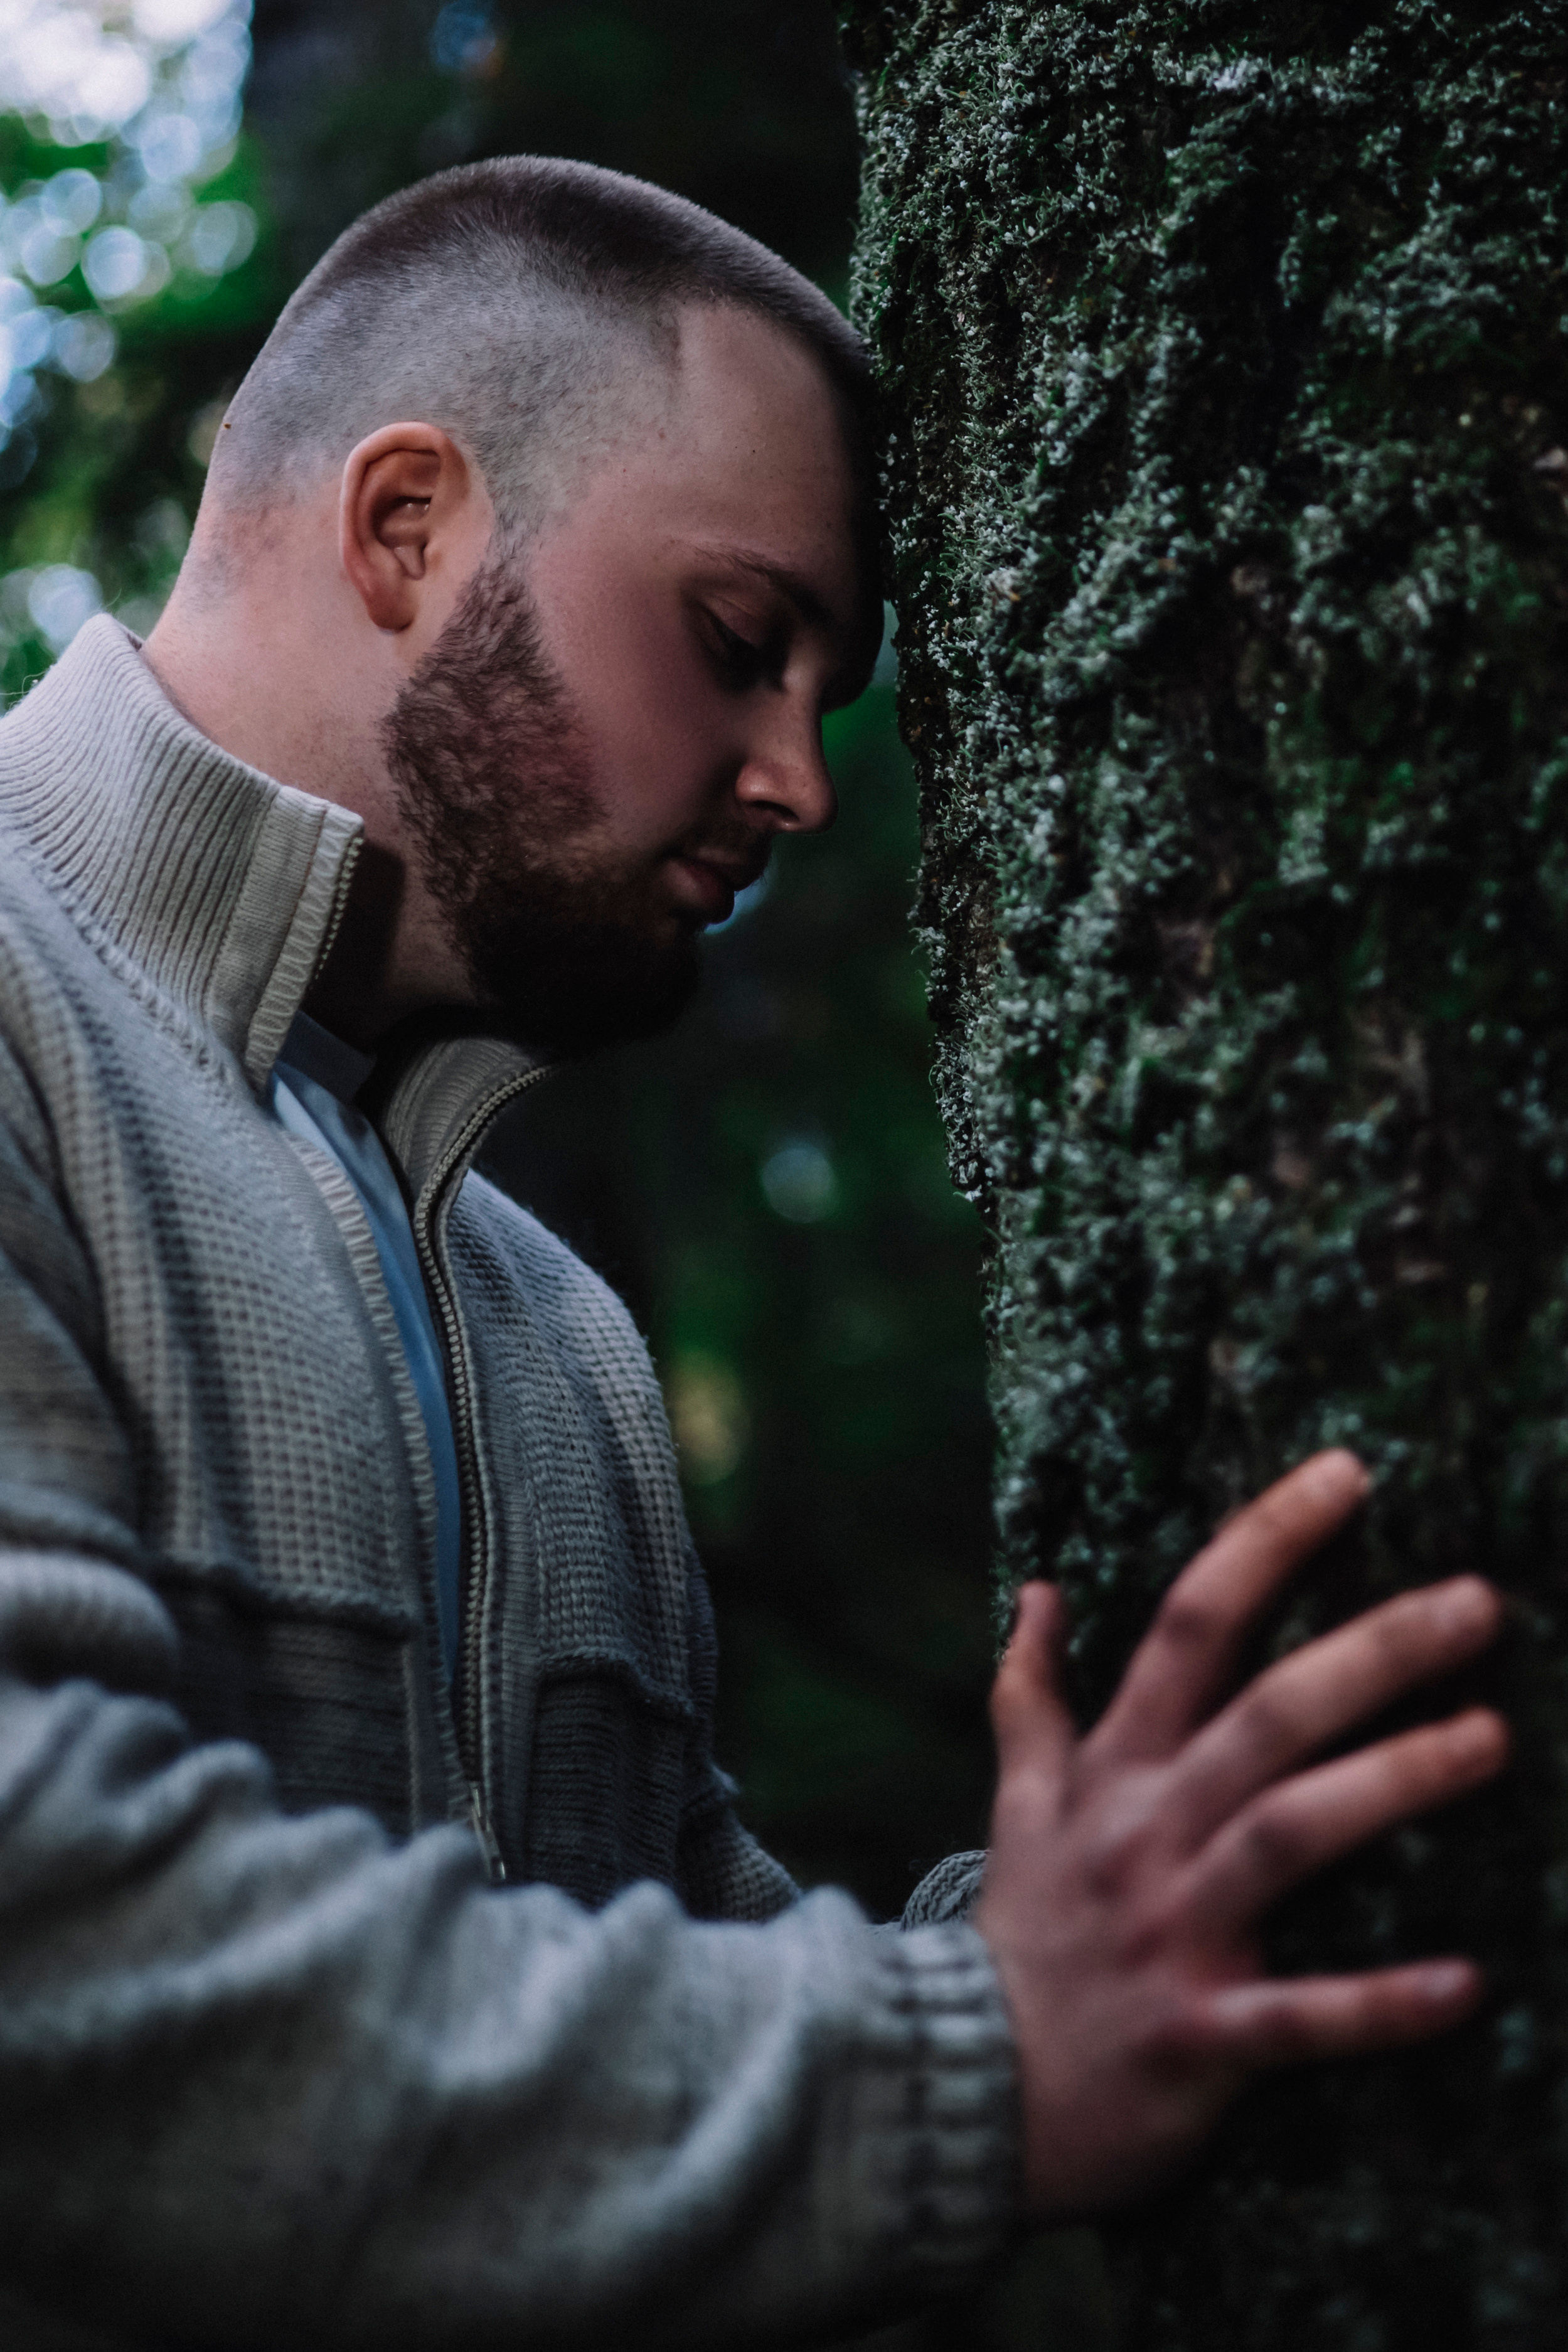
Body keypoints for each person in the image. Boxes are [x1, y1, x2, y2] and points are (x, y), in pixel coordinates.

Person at [0, 156, 1507, 2348]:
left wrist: (1076, 1939)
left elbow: (680, 2037)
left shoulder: (560, 1331)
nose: (800, 778)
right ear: (406, 526)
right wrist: (976, 2062)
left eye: (826, 687)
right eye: (736, 642)